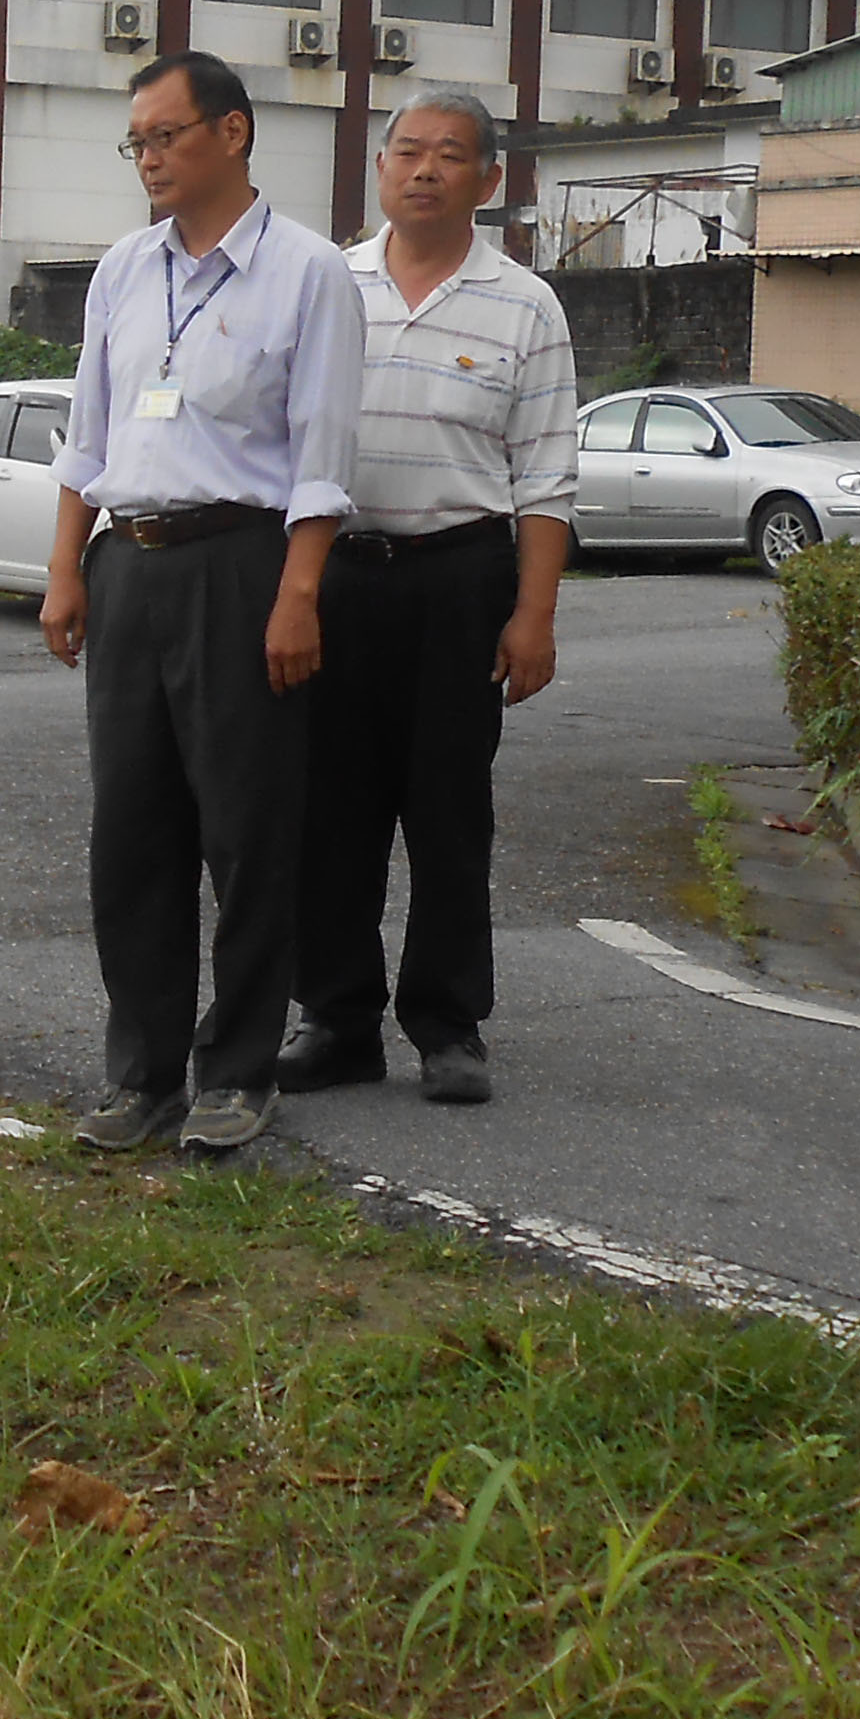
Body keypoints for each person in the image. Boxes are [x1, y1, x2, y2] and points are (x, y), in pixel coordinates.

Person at [43, 50, 366, 1158]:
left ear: (231, 134)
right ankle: (138, 1073)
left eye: (165, 136)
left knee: (247, 830)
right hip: (128, 564)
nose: (148, 158)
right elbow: (86, 436)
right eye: (135, 141)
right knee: (130, 834)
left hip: (244, 566)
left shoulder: (309, 274)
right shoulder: (124, 271)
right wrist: (66, 567)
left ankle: (236, 1069)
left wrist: (298, 594)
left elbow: (322, 456)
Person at [277, 89, 576, 1109]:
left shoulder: (526, 304)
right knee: (329, 811)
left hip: (460, 577)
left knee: (450, 811)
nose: (425, 170)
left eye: (450, 155)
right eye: (407, 151)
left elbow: (545, 478)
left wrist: (532, 615)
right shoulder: (326, 285)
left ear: (489, 180)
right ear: (379, 167)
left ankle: (449, 1026)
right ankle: (337, 1020)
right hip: (338, 573)